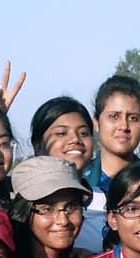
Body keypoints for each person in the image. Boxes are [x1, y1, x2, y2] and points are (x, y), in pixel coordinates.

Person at [28, 97, 104, 250]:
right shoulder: (24, 199)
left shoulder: (106, 202)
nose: (75, 139)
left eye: (83, 133)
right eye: (61, 133)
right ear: (38, 145)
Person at [88, 75, 140, 195]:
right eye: (114, 116)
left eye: (133, 118)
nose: (124, 126)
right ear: (96, 122)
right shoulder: (79, 181)